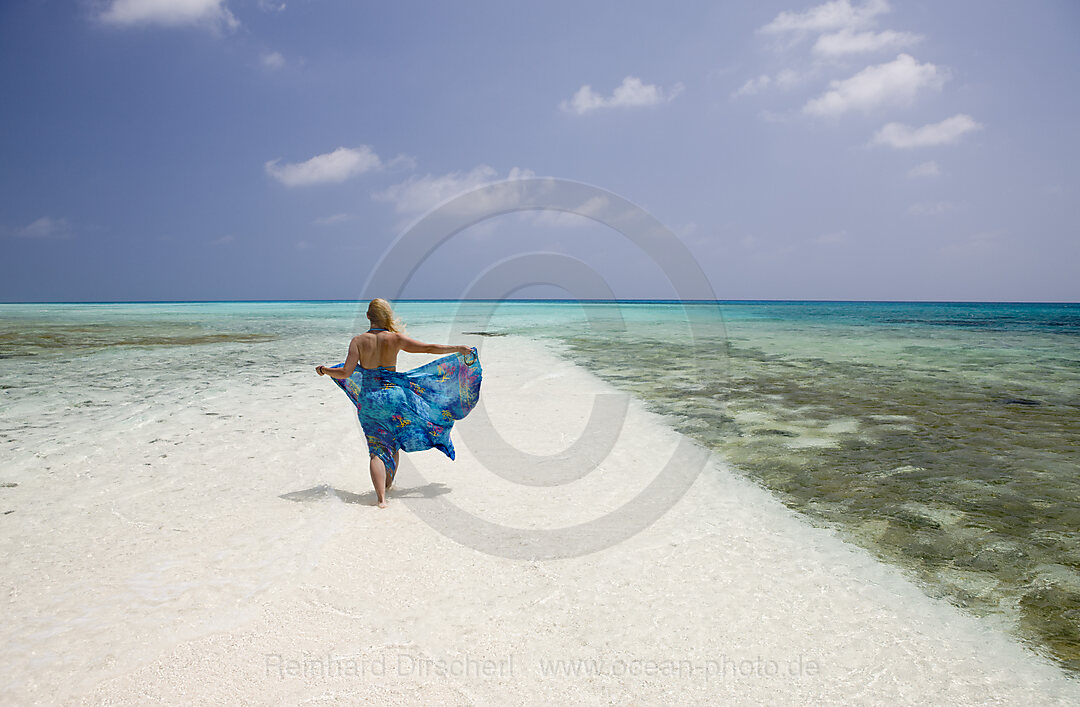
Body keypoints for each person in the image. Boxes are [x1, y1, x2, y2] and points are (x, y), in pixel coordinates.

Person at [316, 298, 481, 508]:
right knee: (393, 442)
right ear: (386, 316)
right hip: (394, 397)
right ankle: (388, 488)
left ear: (368, 316)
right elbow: (429, 348)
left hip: (370, 399)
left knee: (376, 449)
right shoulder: (395, 338)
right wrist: (458, 348)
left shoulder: (358, 341)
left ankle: (381, 500)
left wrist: (325, 370)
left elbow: (346, 372)